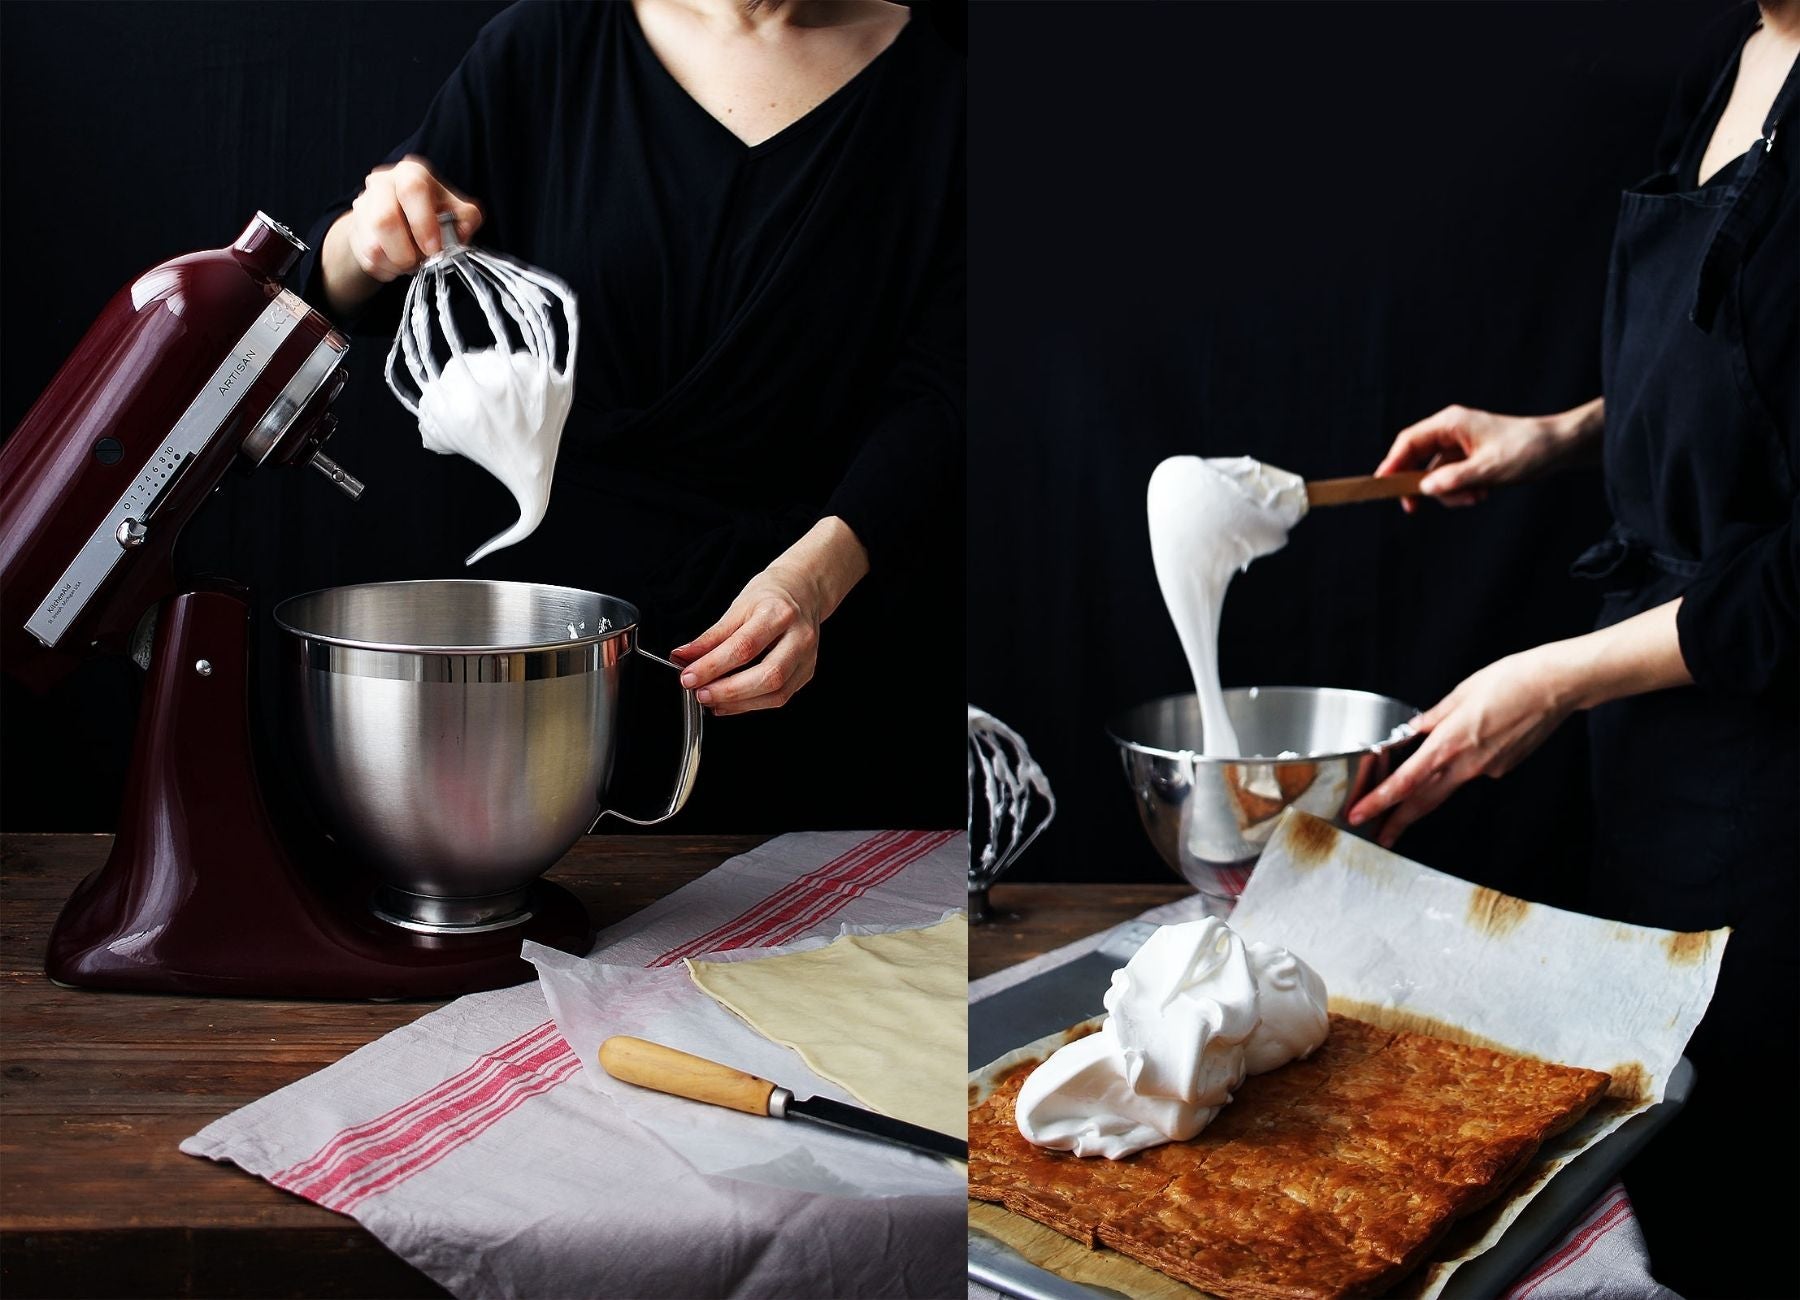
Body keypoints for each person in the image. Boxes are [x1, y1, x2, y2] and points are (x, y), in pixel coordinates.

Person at [1350, 5, 1797, 1294]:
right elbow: (1748, 368)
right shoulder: (1738, 55)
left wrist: (1552, 676)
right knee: (1658, 1168)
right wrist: (1561, 433)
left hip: (1774, 781)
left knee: (1747, 1187)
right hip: (1655, 749)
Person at [301, 0, 963, 830]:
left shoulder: (943, 98)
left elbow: (944, 398)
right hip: (526, 685)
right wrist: (363, 241)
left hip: (795, 673)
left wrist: (815, 579)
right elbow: (331, 288)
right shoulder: (547, 44)